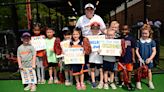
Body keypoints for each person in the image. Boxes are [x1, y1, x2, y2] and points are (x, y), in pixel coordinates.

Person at [136, 24, 156, 90]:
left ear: (149, 33)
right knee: (139, 71)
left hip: (149, 59)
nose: (144, 35)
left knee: (149, 71)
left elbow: (154, 51)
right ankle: (138, 82)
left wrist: (150, 58)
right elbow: (136, 51)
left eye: (146, 33)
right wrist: (139, 58)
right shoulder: (139, 41)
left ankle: (150, 82)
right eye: (143, 33)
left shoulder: (152, 41)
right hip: (141, 59)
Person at [118, 25, 135, 90]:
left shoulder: (131, 38)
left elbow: (133, 48)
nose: (124, 31)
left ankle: (129, 81)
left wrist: (133, 57)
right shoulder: (119, 38)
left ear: (129, 30)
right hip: (121, 57)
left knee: (129, 70)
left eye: (126, 29)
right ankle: (122, 81)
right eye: (123, 29)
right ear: (121, 30)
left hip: (129, 57)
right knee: (121, 70)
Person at [88, 22, 103, 89]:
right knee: (92, 69)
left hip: (99, 56)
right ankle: (93, 81)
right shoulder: (88, 38)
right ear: (91, 29)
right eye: (93, 28)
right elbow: (86, 47)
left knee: (100, 69)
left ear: (99, 29)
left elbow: (105, 45)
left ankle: (101, 81)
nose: (95, 30)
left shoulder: (102, 37)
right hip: (92, 57)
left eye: (97, 28)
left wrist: (102, 49)